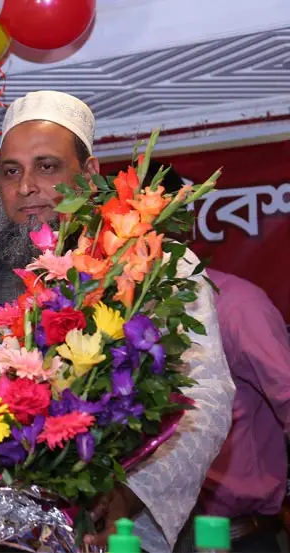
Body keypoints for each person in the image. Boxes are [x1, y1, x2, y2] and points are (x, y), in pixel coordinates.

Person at [0, 91, 235, 553]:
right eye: (11, 171)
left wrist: (128, 495)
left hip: (129, 528)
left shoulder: (158, 266)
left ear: (90, 172)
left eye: (47, 166)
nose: (26, 186)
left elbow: (205, 397)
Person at [151, 161, 289, 553]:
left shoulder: (239, 307)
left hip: (236, 540)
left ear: (184, 223)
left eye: (154, 219)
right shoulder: (114, 319)